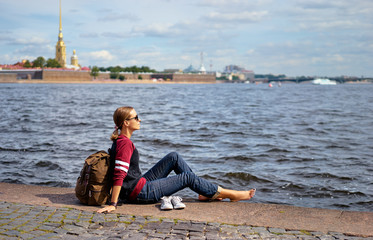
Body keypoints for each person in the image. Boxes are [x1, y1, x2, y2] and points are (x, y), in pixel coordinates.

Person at [97, 106, 256, 213]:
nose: (140, 120)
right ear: (126, 122)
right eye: (136, 117)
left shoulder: (121, 141)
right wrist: (113, 204)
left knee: (174, 157)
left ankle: (204, 192)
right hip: (138, 193)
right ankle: (229, 194)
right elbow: (119, 174)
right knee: (187, 177)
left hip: (138, 184)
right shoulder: (125, 143)